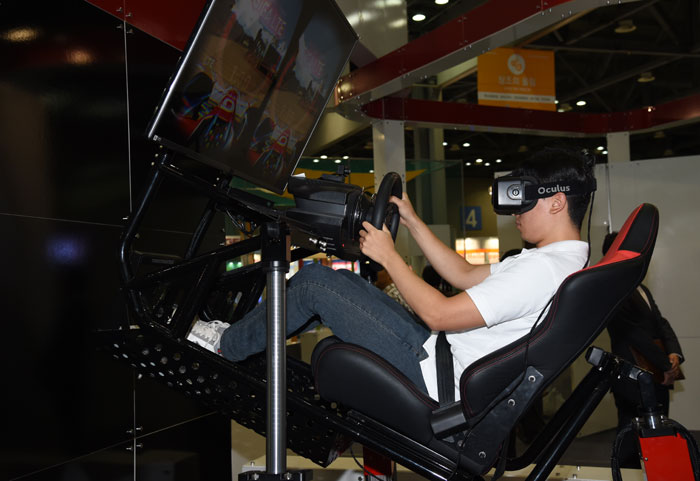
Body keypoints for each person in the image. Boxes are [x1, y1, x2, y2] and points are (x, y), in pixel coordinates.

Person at [188, 147, 595, 400]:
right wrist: (414, 222)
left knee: (314, 283)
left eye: (523, 201)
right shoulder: (558, 263)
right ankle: (241, 337)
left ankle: (226, 345)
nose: (516, 213)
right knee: (342, 282)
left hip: (434, 373)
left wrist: (389, 256)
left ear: (556, 203)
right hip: (439, 356)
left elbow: (439, 314)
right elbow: (465, 273)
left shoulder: (542, 269)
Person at [603, 231, 684, 467]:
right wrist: (665, 363)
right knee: (631, 438)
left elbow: (660, 322)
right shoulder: (611, 290)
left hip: (657, 374)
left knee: (657, 435)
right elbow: (633, 335)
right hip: (632, 378)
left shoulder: (640, 288)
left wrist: (674, 354)